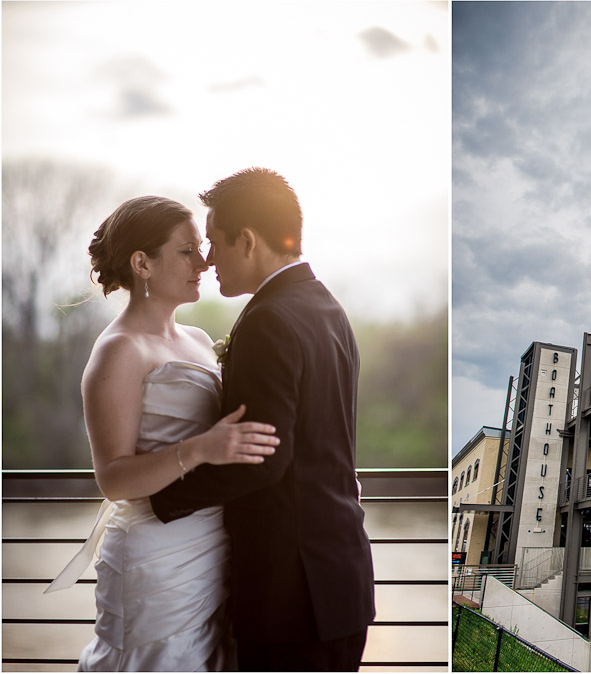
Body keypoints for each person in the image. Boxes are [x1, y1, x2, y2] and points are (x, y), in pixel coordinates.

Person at [149, 168, 376, 672]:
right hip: (338, 582)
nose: (208, 260)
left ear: (247, 241)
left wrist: (158, 500)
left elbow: (260, 461)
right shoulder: (327, 307)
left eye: (214, 242)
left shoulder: (270, 319)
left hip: (291, 597)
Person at [46, 195, 281, 671]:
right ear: (142, 264)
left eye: (202, 248)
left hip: (215, 547)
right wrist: (200, 449)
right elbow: (112, 478)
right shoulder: (118, 351)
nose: (205, 261)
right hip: (156, 555)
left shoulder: (197, 339)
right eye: (187, 251)